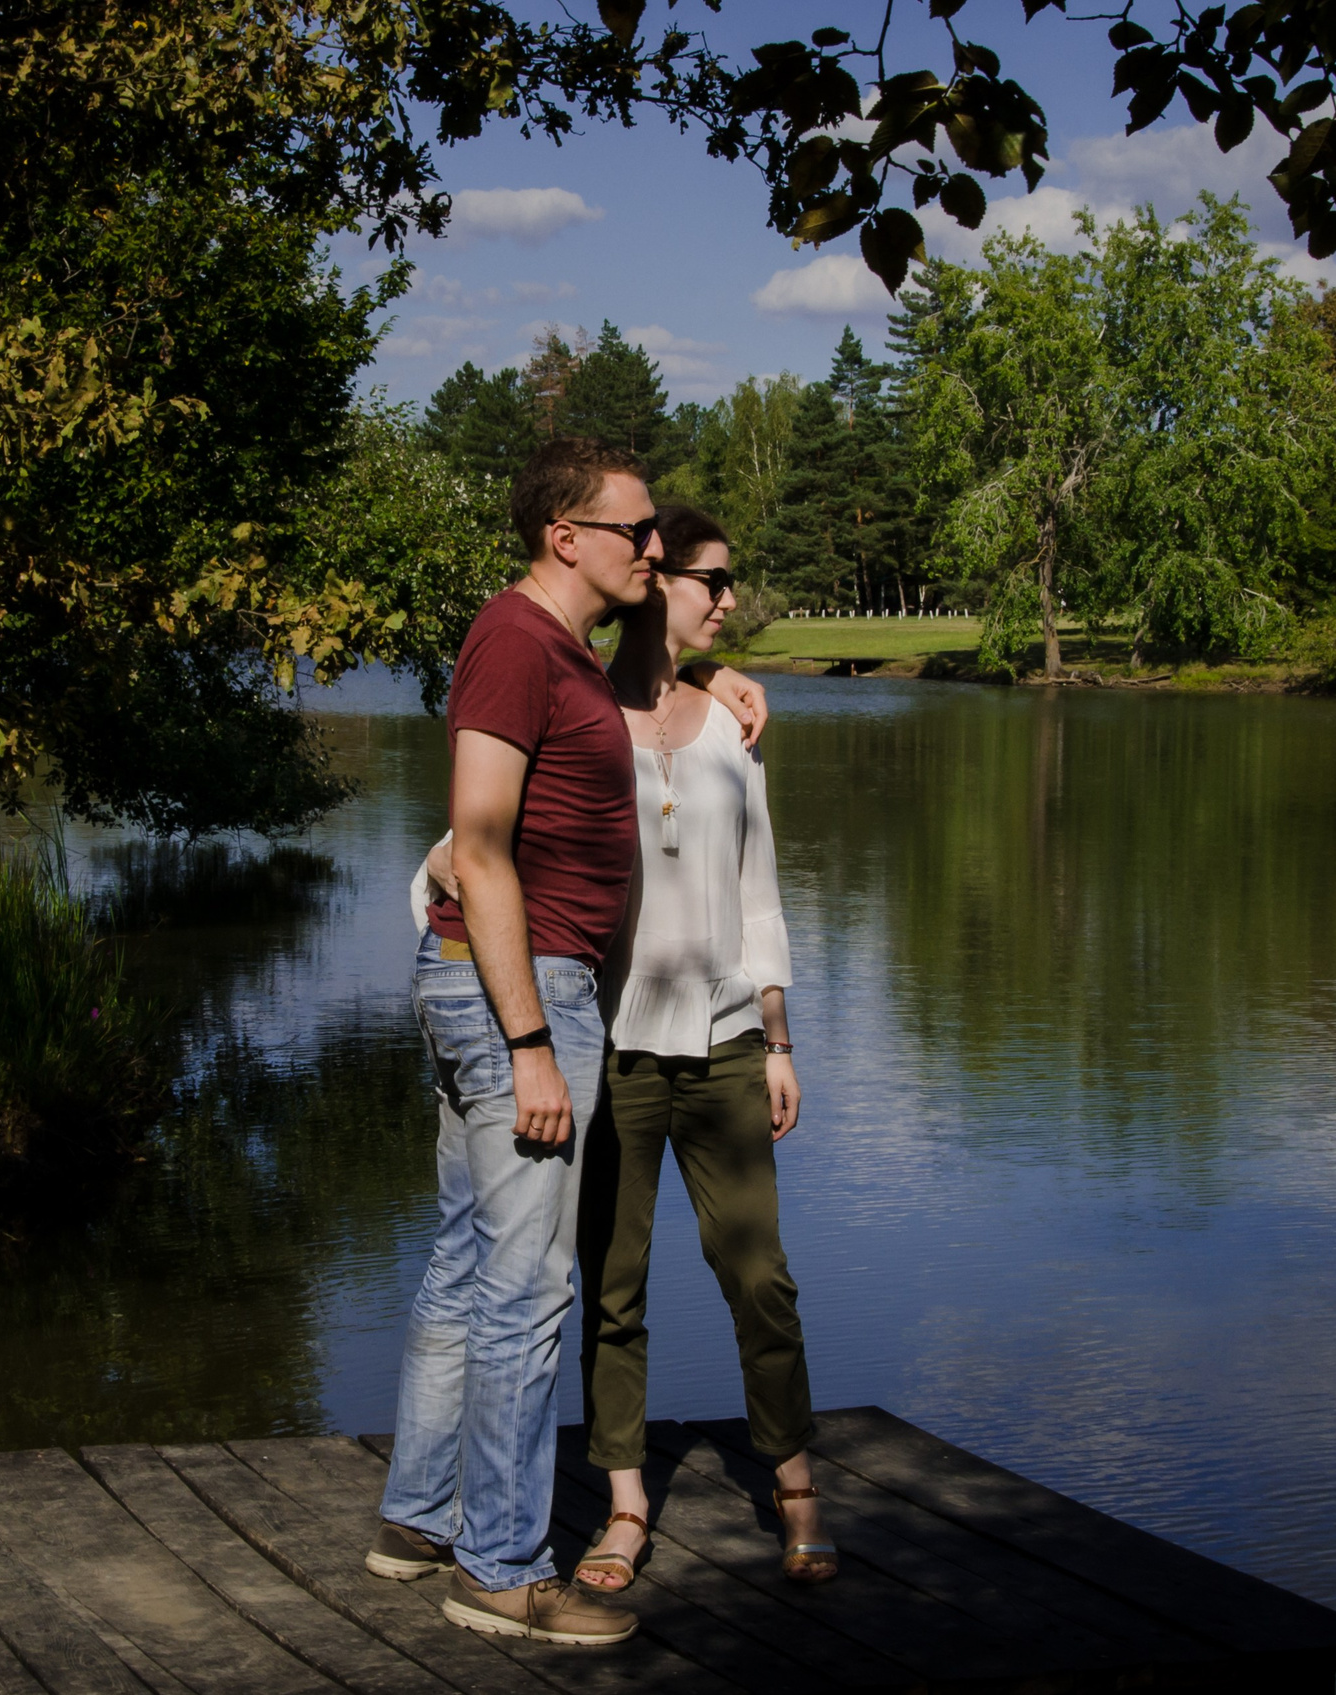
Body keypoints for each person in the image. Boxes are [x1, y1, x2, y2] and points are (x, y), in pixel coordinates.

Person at [366, 442, 769, 1648]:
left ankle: (418, 1520)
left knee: (467, 1259)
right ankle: (499, 1567)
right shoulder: (513, 640)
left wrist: (724, 673)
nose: (655, 548)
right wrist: (531, 1041)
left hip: (512, 984)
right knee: (529, 1285)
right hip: (521, 989)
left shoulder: (563, 652)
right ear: (565, 537)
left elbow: (645, 697)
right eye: (635, 531)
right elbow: (481, 843)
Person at [424, 505, 835, 1594]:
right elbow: (476, 844)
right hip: (610, 1048)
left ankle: (794, 1484)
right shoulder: (583, 713)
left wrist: (779, 1038)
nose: (728, 600)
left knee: (760, 1277)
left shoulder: (733, 725)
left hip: (729, 1042)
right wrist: (442, 878)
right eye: (712, 581)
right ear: (657, 587)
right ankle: (624, 1505)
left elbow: (759, 891)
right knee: (612, 1288)